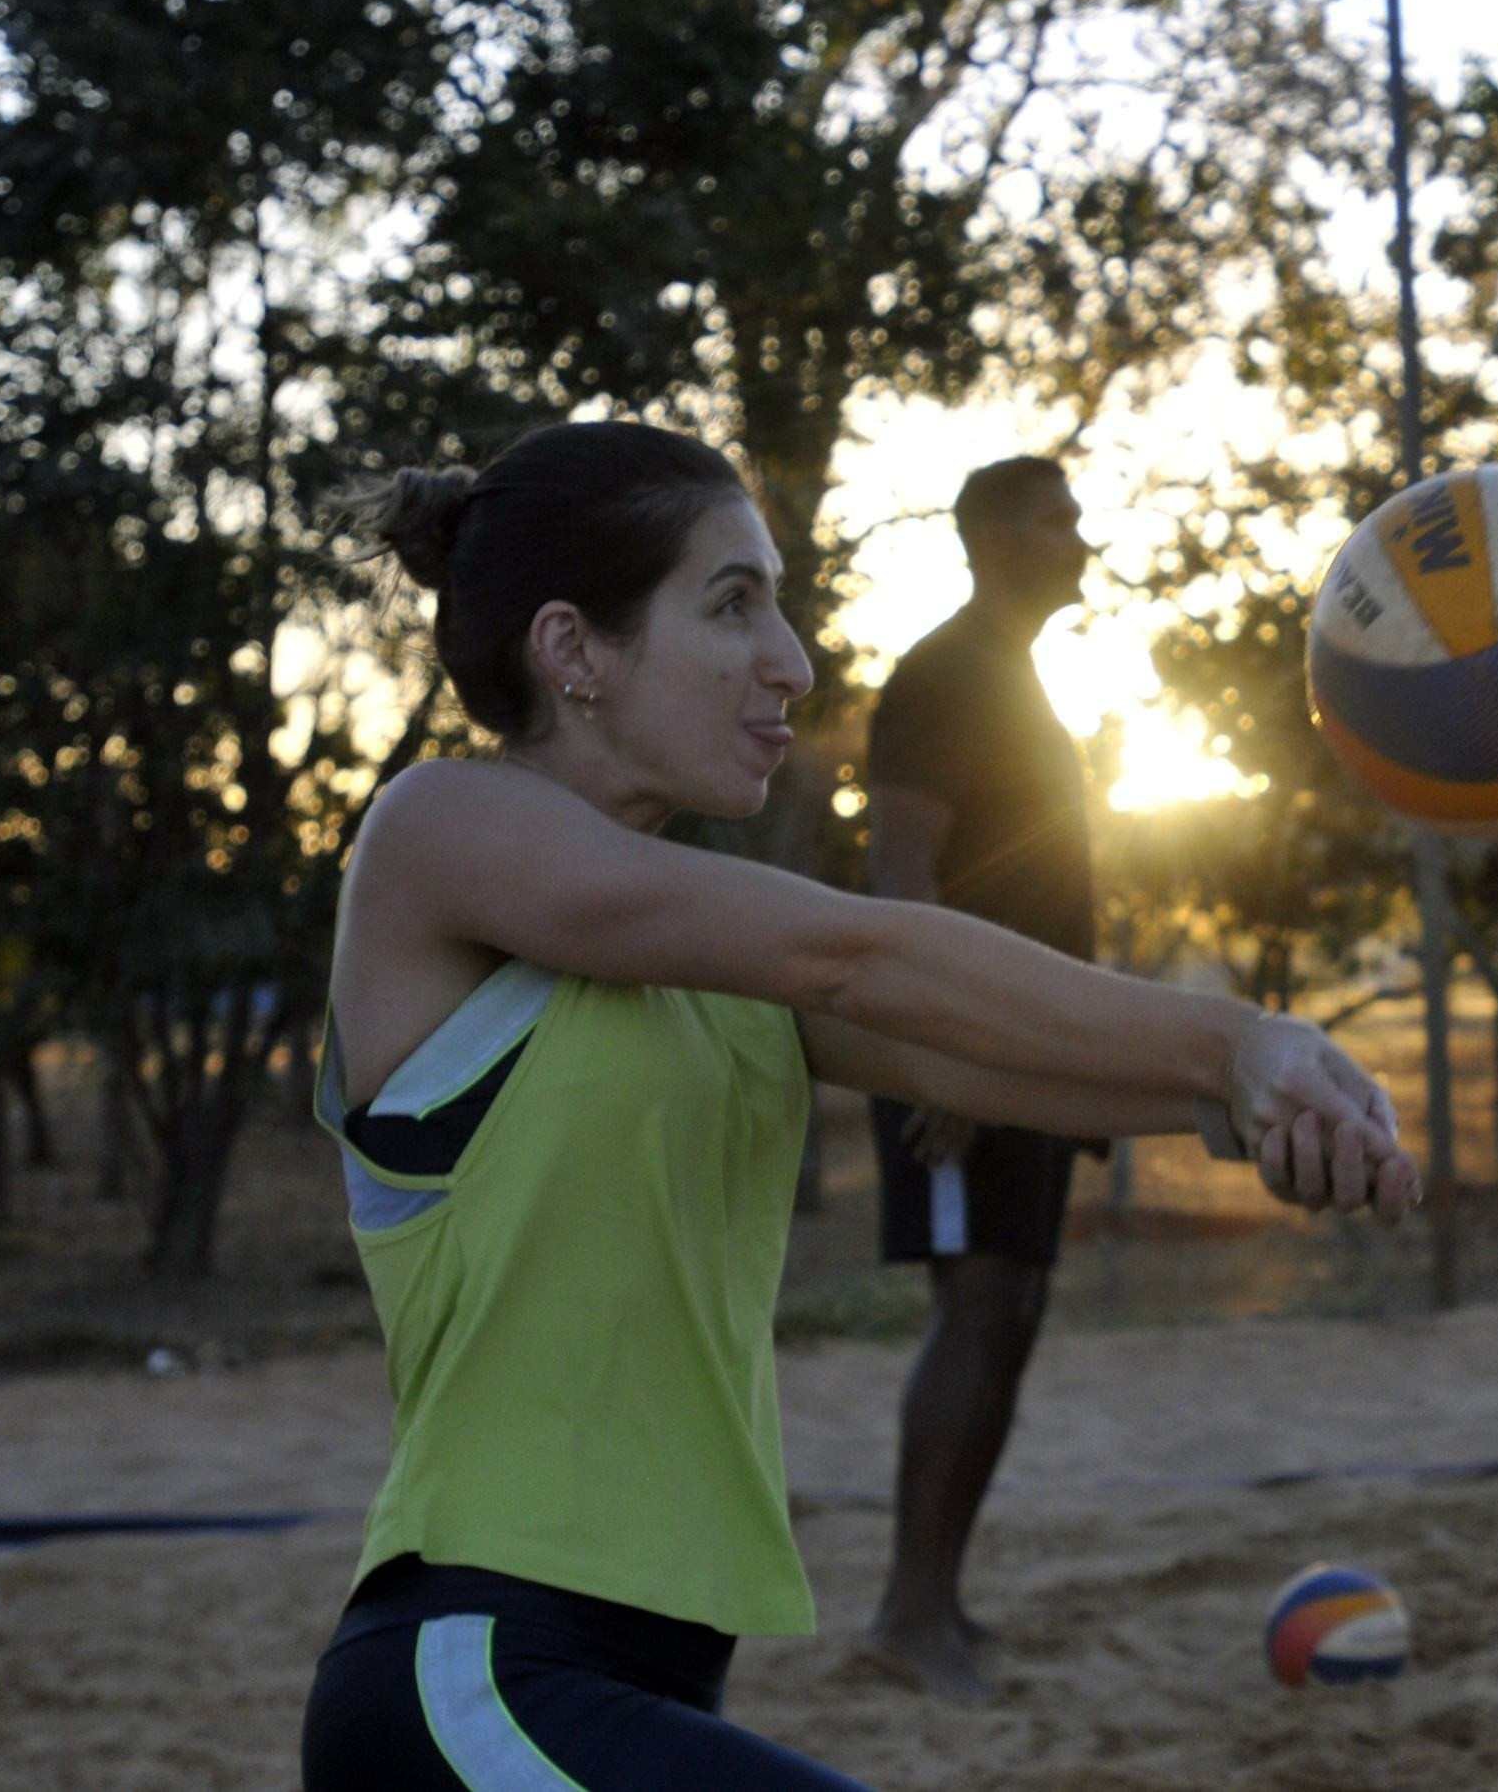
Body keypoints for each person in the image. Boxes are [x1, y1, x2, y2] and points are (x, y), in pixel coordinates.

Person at [299, 421, 1414, 1790]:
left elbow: (996, 1055)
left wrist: (1251, 1101)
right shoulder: (436, 834)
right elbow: (862, 949)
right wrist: (1231, 1039)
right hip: (471, 1675)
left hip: (650, 1684)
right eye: (732, 605)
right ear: (571, 650)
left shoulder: (711, 972)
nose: (793, 660)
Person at [859, 455, 1107, 1698]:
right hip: (960, 1059)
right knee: (976, 1307)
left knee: (1011, 1310)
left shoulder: (1012, 679)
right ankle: (907, 1615)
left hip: (1024, 1059)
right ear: (993, 537)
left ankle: (938, 1600)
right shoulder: (941, 677)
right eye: (1056, 518)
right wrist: (940, 1050)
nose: (1080, 536)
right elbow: (898, 870)